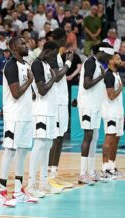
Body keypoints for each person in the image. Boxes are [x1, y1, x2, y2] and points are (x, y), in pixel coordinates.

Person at [0, 36, 38, 207]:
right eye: (22, 43)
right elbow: (15, 93)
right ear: (13, 48)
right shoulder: (10, 65)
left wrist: (31, 89)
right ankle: (1, 193)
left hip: (27, 115)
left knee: (22, 152)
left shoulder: (26, 65)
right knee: (10, 152)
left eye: (25, 42)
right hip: (14, 116)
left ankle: (18, 191)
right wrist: (29, 81)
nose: (26, 44)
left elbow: (30, 94)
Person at [26, 41, 61, 198]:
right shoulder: (38, 65)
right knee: (40, 144)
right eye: (53, 54)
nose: (54, 57)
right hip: (41, 111)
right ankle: (31, 185)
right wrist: (53, 79)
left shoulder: (46, 64)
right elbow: (42, 90)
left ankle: (44, 182)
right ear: (47, 51)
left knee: (47, 144)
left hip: (50, 111)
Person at [77, 42, 114, 184]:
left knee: (94, 137)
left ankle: (91, 171)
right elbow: (87, 84)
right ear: (102, 52)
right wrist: (101, 77)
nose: (109, 58)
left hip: (95, 106)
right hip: (87, 106)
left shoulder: (98, 64)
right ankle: (82, 173)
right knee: (88, 136)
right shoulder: (90, 63)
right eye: (108, 56)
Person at [47, 29, 74, 190]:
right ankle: (48, 176)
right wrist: (68, 63)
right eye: (66, 37)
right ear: (62, 38)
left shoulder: (59, 54)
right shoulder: (51, 54)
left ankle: (54, 173)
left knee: (61, 136)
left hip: (62, 100)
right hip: (55, 101)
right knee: (55, 138)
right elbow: (56, 76)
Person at [101, 53, 125, 181]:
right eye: (118, 58)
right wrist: (120, 89)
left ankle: (112, 167)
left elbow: (118, 99)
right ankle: (104, 169)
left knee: (116, 141)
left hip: (118, 112)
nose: (120, 60)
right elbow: (111, 96)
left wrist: (123, 113)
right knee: (108, 140)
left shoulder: (116, 74)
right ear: (110, 61)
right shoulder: (108, 75)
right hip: (110, 112)